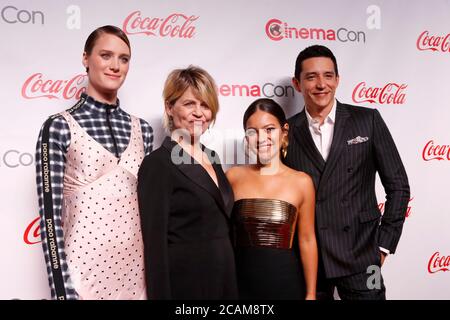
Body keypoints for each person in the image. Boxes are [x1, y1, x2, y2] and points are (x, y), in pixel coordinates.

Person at [35, 25, 153, 300]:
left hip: (137, 279)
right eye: (106, 55)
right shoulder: (58, 127)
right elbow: (50, 219)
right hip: (81, 279)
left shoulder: (143, 130)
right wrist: (62, 291)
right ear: (86, 58)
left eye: (124, 59)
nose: (115, 66)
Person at [284, 44, 410, 300]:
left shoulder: (368, 119)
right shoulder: (287, 131)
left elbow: (398, 185)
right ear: (297, 84)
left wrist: (383, 245)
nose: (321, 84)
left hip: (363, 256)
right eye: (311, 77)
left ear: (337, 80)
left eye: (328, 75)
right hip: (309, 258)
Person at [137, 66, 238, 300]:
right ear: (169, 107)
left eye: (205, 105)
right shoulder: (158, 163)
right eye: (189, 104)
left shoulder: (212, 157)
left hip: (224, 278)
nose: (199, 113)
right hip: (188, 284)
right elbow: (155, 247)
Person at [226, 98, 318, 300]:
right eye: (253, 132)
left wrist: (311, 294)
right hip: (240, 286)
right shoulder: (233, 177)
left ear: (284, 132)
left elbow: (307, 239)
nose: (261, 138)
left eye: (269, 129)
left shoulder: (302, 182)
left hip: (286, 284)